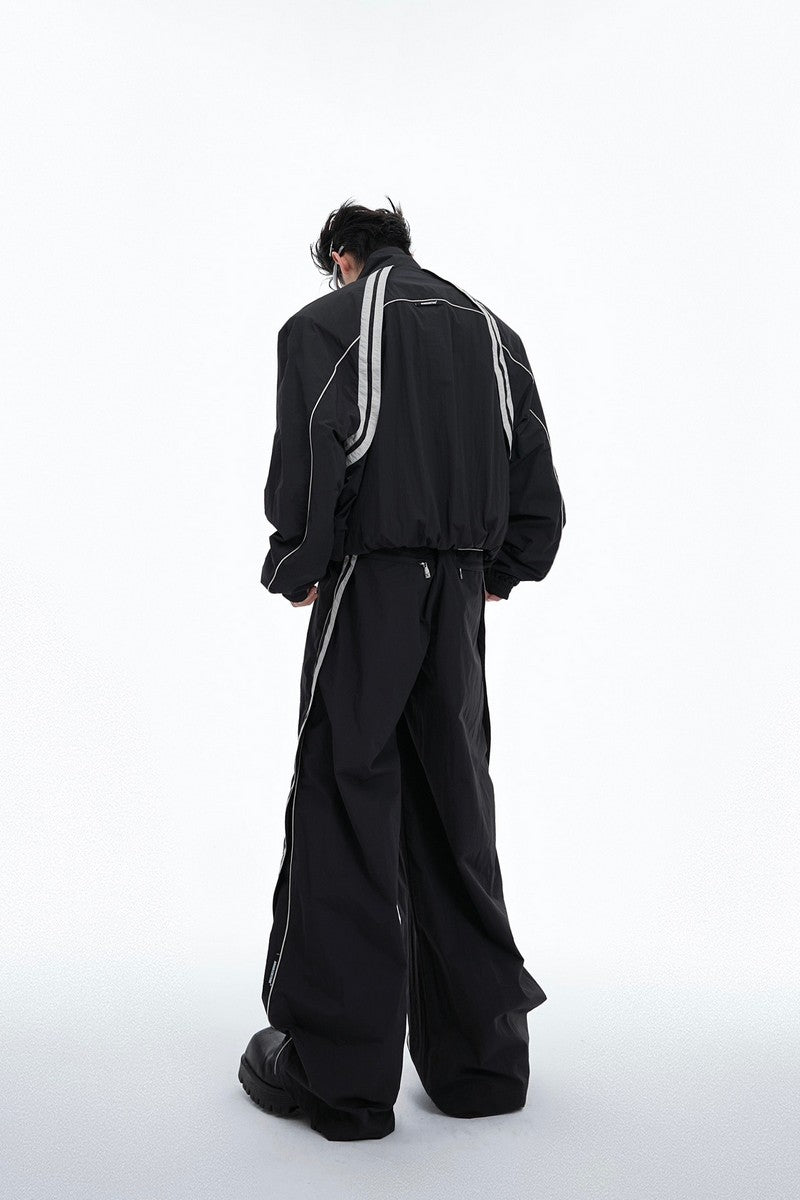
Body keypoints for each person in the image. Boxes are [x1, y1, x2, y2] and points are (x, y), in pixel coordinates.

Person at [238, 197, 566, 1142]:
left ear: (344, 253)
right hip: (457, 594)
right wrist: (498, 569)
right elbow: (537, 484)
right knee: (456, 809)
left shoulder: (328, 323)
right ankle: (481, 1068)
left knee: (345, 800)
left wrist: (297, 562)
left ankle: (339, 1077)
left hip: (370, 583)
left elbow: (316, 453)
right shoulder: (495, 334)